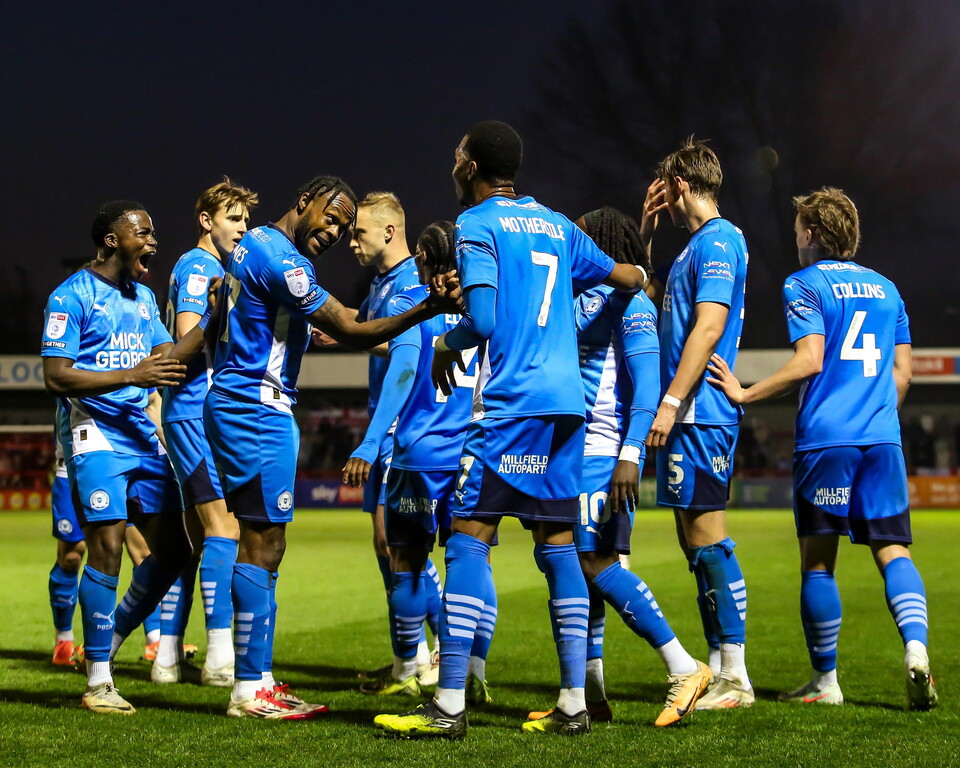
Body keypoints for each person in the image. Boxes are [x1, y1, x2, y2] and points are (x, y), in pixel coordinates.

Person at [373, 121, 647, 740]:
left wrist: (448, 341)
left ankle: (447, 706)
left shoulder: (475, 226)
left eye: (456, 156)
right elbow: (622, 276)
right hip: (567, 410)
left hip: (510, 406)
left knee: (468, 536)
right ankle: (574, 702)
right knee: (557, 545)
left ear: (471, 167)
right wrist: (641, 275)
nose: (452, 164)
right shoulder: (557, 223)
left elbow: (487, 319)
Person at [203, 175, 462, 720]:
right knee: (264, 544)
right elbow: (348, 326)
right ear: (304, 202)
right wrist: (424, 311)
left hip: (239, 400)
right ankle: (250, 688)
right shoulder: (282, 258)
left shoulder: (246, 247)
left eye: (346, 225)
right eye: (331, 216)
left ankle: (260, 680)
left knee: (264, 542)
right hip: (256, 407)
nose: (335, 230)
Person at [706, 187, 937, 710]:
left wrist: (746, 391)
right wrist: (874, 412)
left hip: (827, 440)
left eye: (796, 233)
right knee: (893, 550)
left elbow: (810, 361)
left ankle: (825, 681)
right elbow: (902, 375)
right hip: (882, 440)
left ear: (811, 234)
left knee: (818, 565)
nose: (795, 242)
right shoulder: (888, 289)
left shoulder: (804, 284)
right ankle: (917, 649)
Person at [527, 207, 710, 728]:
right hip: (569, 449)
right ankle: (590, 695)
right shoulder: (584, 296)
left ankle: (683, 666)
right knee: (571, 572)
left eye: (585, 239)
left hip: (603, 450)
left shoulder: (630, 302)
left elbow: (646, 383)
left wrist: (631, 454)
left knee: (593, 563)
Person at [41, 201, 192, 714]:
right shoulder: (70, 297)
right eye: (142, 233)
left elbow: (167, 356)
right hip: (94, 433)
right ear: (111, 240)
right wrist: (132, 376)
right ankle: (99, 680)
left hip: (140, 432)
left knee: (175, 550)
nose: (152, 241)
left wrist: (218, 317)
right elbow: (57, 375)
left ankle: (115, 632)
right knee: (105, 547)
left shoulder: (144, 297)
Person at [361, 220, 494, 701]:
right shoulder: (483, 310)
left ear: (420, 255)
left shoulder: (409, 307)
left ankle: (409, 665)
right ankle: (471, 671)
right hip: (470, 452)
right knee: (474, 562)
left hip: (417, 453)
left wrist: (369, 442)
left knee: (407, 563)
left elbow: (400, 369)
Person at [644, 138, 753, 709]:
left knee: (709, 539)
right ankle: (717, 663)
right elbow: (637, 291)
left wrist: (670, 402)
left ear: (680, 184)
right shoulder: (688, 249)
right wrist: (645, 232)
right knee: (693, 543)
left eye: (666, 186)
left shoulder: (720, 240)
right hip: (687, 413)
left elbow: (708, 327)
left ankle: (735, 675)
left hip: (701, 411)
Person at [158, 178, 259, 687]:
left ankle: (167, 657)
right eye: (233, 218)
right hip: (196, 411)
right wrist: (223, 313)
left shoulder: (208, 267)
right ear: (206, 220)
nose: (242, 228)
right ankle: (221, 659)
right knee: (227, 530)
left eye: (245, 219)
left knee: (196, 540)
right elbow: (185, 338)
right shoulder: (200, 267)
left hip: (188, 412)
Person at [344, 193, 442, 685]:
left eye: (358, 233)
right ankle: (414, 655)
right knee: (389, 549)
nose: (351, 242)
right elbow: (364, 330)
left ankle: (438, 653)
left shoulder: (413, 284)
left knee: (400, 545)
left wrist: (355, 336)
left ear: (388, 232)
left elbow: (410, 354)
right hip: (386, 429)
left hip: (406, 431)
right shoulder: (381, 284)